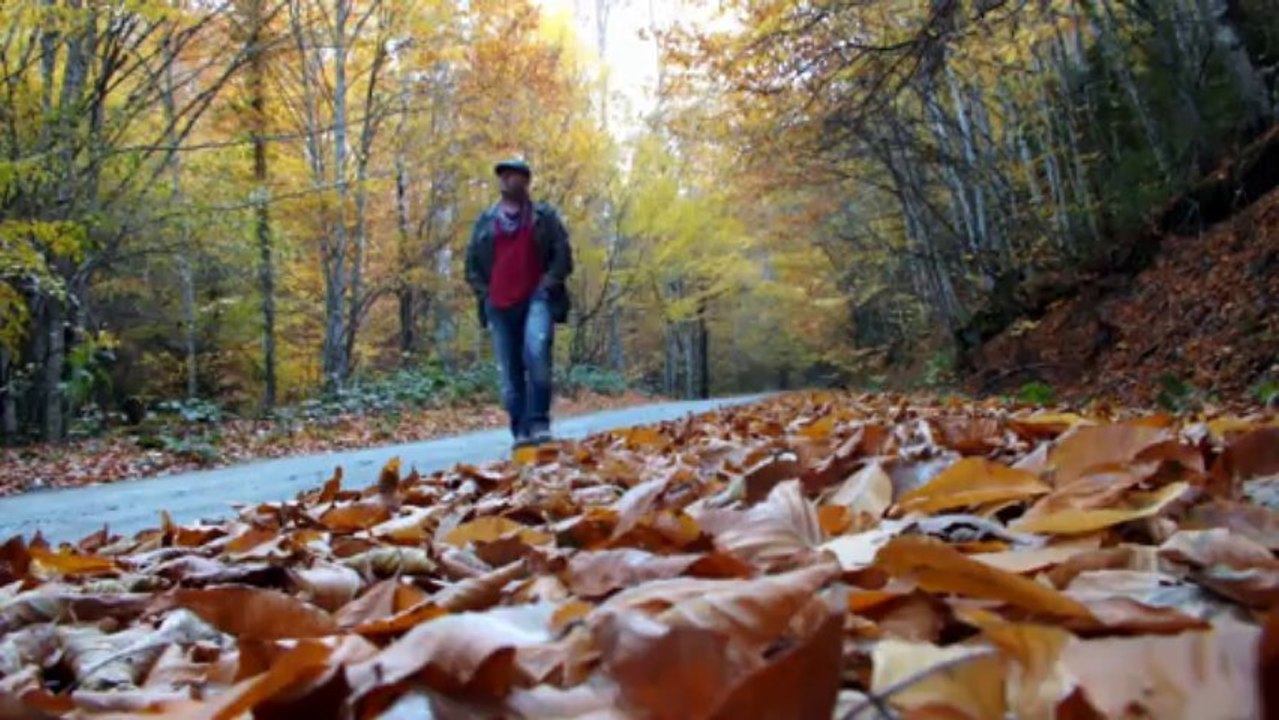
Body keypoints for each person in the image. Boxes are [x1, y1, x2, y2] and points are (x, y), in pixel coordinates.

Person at [465, 158, 573, 448]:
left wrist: (548, 283)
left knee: (536, 354)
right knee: (510, 372)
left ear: (525, 181)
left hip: (537, 297)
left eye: (511, 175)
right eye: (501, 176)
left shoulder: (543, 216)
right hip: (499, 305)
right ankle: (520, 431)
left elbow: (563, 254)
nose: (505, 180)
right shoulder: (486, 221)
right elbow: (472, 265)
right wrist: (485, 294)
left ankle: (539, 422)